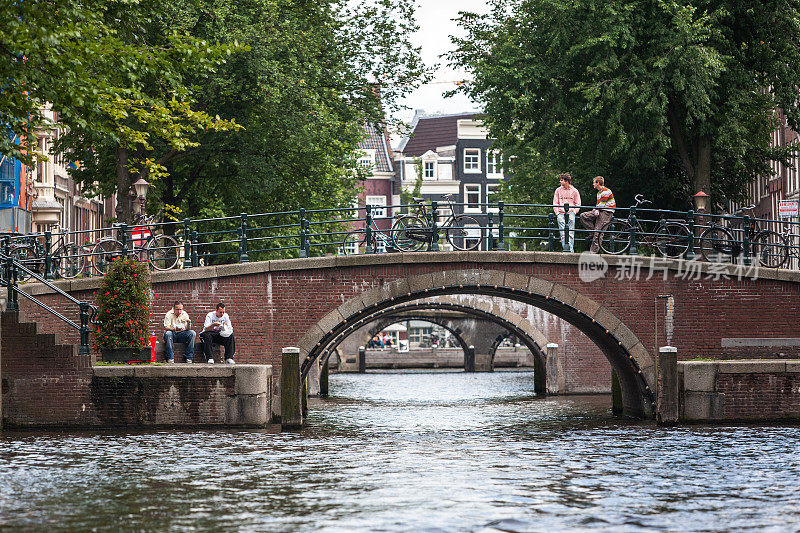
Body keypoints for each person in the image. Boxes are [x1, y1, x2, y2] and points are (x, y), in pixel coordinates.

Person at [580, 176, 616, 253]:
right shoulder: (599, 193)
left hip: (606, 212)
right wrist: (596, 210)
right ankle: (592, 232)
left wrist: (597, 210)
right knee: (583, 216)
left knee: (598, 232)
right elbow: (599, 205)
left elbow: (602, 205)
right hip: (600, 210)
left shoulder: (606, 191)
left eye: (594, 182)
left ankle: (593, 253)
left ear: (598, 183)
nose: (593, 184)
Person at [552, 172, 582, 252]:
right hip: (561, 212)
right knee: (562, 232)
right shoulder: (558, 190)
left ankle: (570, 250)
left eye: (561, 180)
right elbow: (555, 203)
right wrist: (557, 213)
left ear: (566, 181)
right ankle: (566, 250)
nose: (560, 182)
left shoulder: (575, 191)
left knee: (571, 232)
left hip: (571, 212)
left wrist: (574, 211)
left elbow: (578, 203)